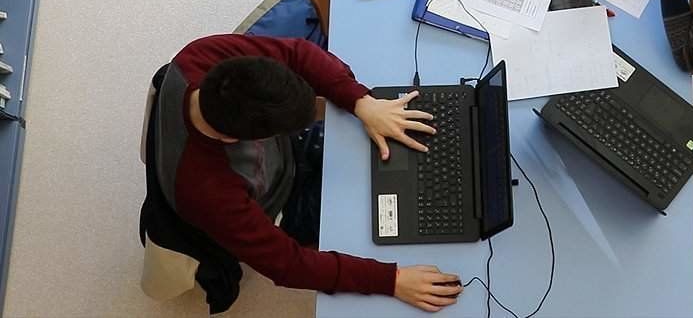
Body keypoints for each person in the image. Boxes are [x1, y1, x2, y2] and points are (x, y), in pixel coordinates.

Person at [154, 33, 463, 312]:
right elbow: (288, 265)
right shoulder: (207, 191)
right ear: (249, 140)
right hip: (279, 203)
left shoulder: (201, 55)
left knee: (396, 155)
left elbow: (297, 53)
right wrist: (391, 280)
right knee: (391, 225)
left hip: (286, 154)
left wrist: (362, 102)